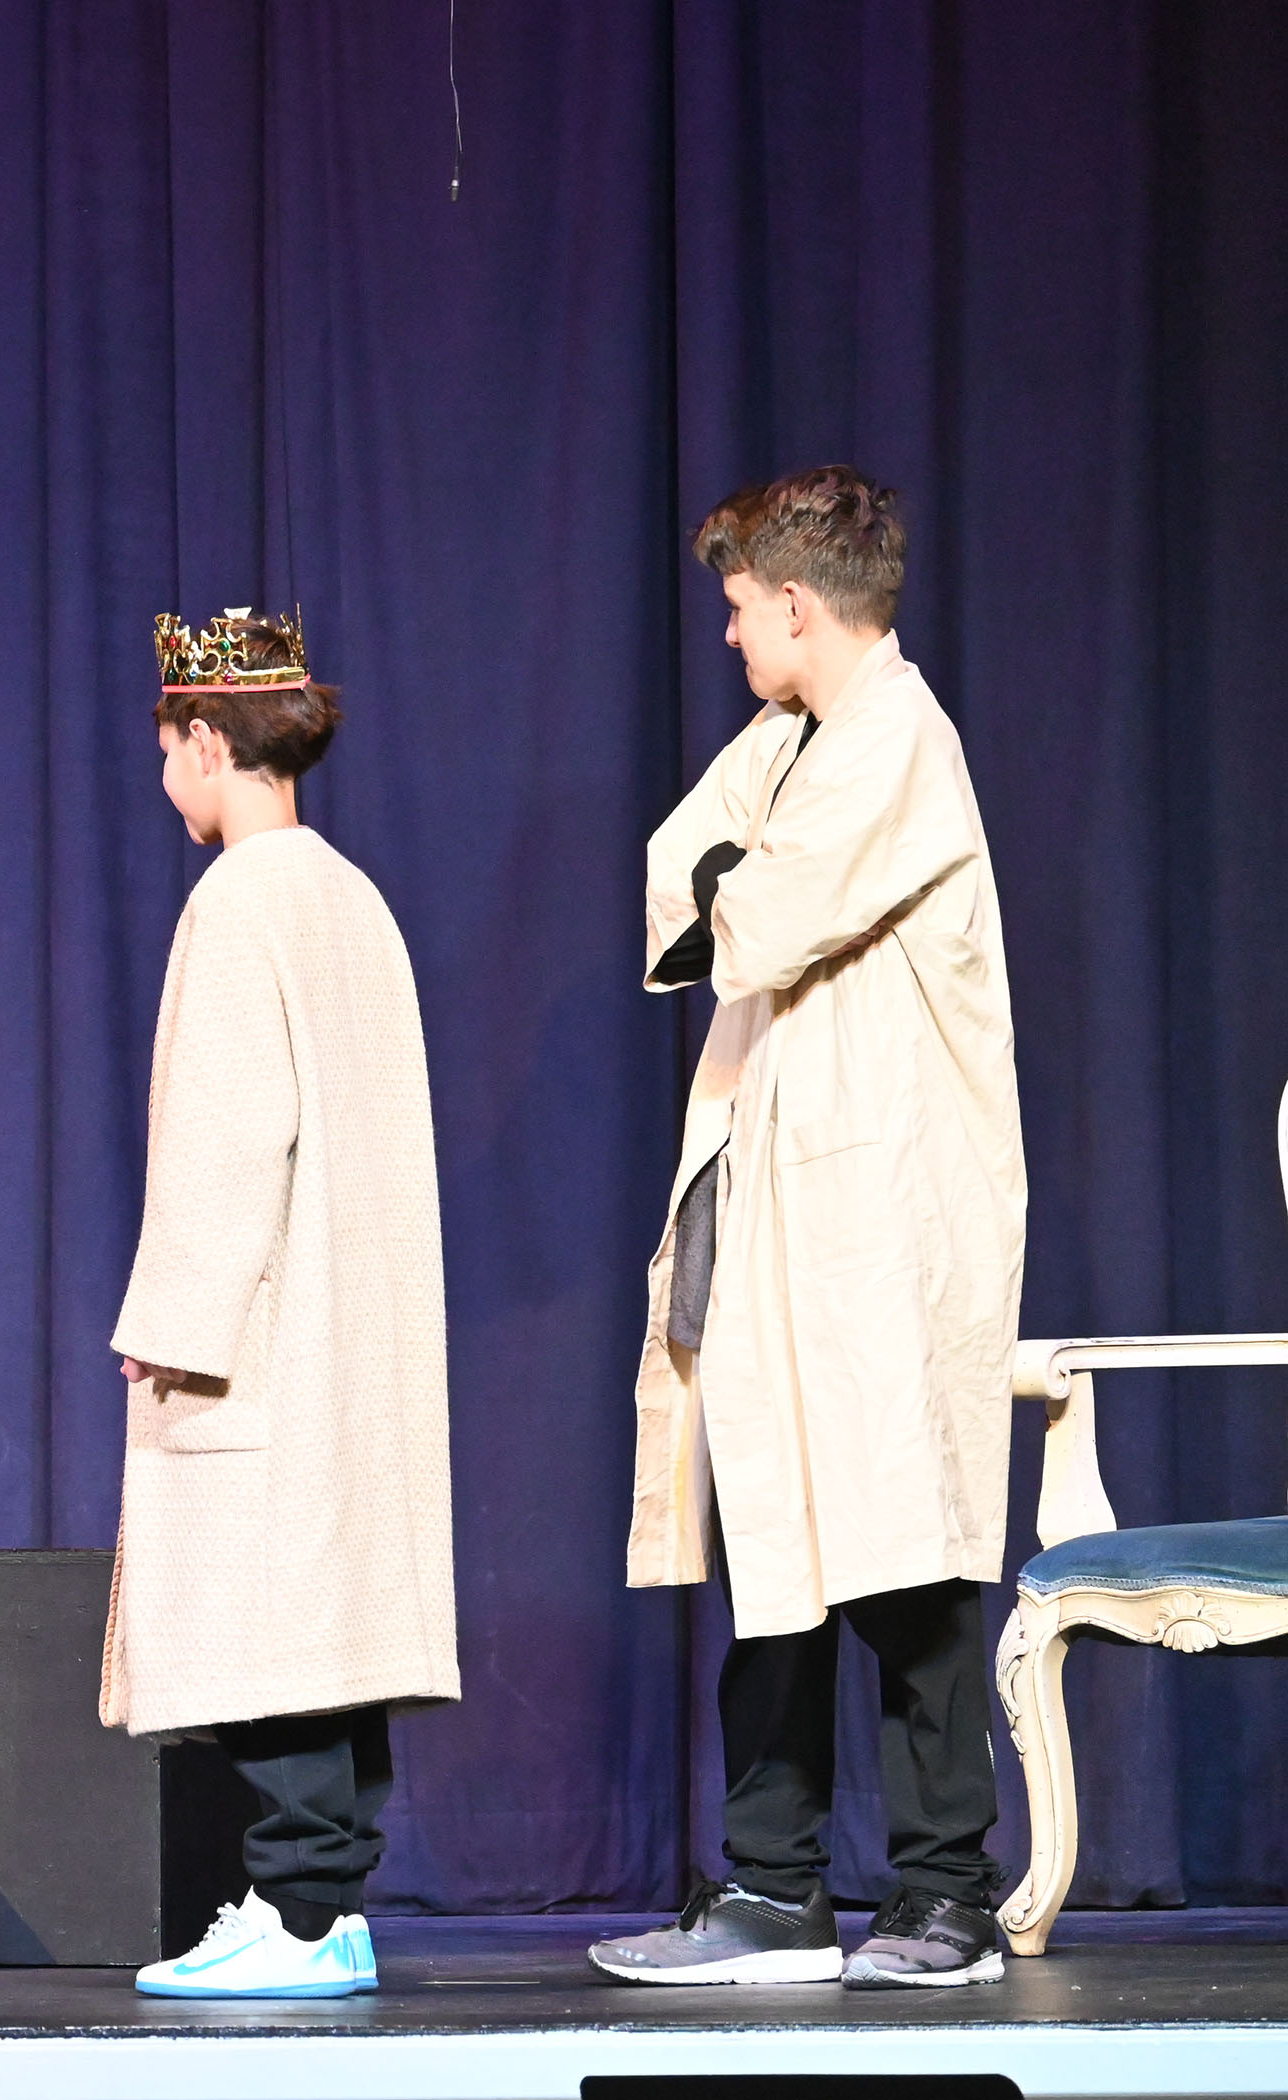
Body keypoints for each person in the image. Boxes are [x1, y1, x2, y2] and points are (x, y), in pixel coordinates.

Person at [590, 467, 1025, 1988]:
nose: (725, 634)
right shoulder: (785, 742)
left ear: (793, 602)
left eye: (736, 607)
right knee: (771, 1534)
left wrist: (738, 885)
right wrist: (734, 882)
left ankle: (946, 1893)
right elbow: (678, 870)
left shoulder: (898, 735)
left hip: (885, 1201)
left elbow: (757, 919)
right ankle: (774, 1886)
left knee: (901, 1540)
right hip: (776, 1187)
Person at [110, 609, 458, 2001]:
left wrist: (172, 1318)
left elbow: (228, 1131)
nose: (163, 781)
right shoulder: (351, 896)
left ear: (206, 740)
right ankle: (324, 1909)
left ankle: (301, 1915)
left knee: (265, 1609)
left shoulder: (240, 899)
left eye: (165, 750)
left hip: (267, 1314)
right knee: (330, 1611)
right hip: (351, 1317)